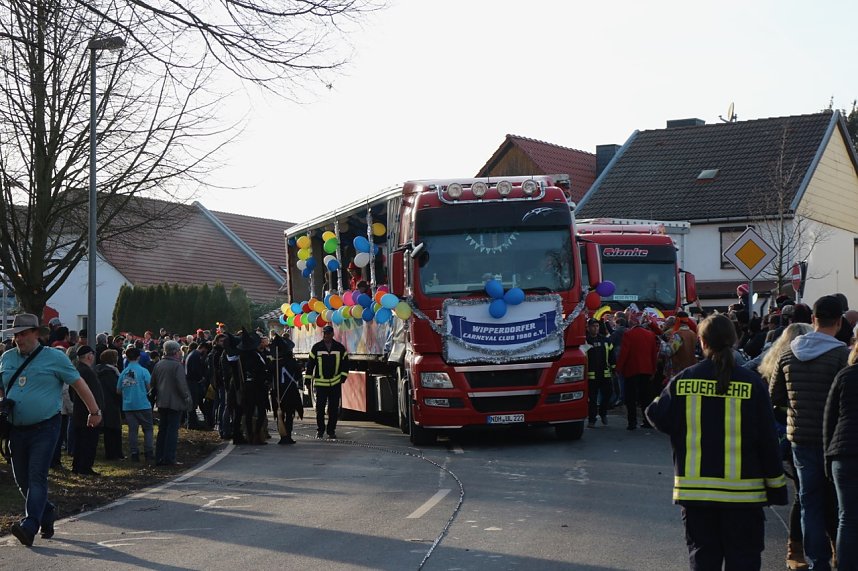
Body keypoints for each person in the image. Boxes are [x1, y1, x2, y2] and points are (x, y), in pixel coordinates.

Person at [646, 313, 788, 570]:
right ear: (734, 340)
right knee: (743, 561)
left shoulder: (684, 380)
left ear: (702, 341)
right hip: (745, 497)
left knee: (704, 560)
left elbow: (655, 414)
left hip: (696, 495)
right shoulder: (752, 384)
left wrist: (685, 431)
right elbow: (768, 440)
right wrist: (776, 488)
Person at [0, 314, 102, 546]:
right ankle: (47, 513)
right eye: (16, 334)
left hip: (45, 426)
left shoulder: (54, 358)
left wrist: (94, 412)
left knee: (37, 476)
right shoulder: (7, 358)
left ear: (37, 333)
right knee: (22, 479)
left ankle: (30, 525)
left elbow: (79, 383)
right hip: (16, 428)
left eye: (24, 333)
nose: (19, 338)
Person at [772, 295, 850, 571]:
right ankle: (843, 558)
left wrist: (794, 411)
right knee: (841, 507)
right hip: (833, 440)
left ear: (813, 320)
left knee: (809, 501)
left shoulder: (787, 353)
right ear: (839, 322)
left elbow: (775, 395)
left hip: (800, 438)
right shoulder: (842, 354)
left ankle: (818, 562)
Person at [759, 322, 815, 570]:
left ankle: (796, 550)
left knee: (803, 493)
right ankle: (818, 546)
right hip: (804, 432)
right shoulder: (807, 360)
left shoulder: (771, 363)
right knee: (812, 493)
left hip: (787, 433)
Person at [823, 339, 858, 570]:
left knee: (847, 519)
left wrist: (827, 459)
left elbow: (829, 419)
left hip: (843, 452)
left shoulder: (845, 375)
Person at [305, 325, 349, 439]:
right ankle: (320, 430)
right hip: (321, 384)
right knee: (320, 409)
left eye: (328, 334)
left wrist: (343, 377)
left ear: (332, 334)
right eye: (324, 334)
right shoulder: (316, 348)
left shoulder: (340, 348)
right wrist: (307, 380)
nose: (326, 336)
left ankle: (331, 431)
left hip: (335, 383)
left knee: (333, 409)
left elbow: (346, 364)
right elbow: (310, 365)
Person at [616, 311, 659, 430]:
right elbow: (653, 354)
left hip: (631, 370)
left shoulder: (628, 334)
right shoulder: (650, 334)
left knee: (631, 398)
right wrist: (653, 370)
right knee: (646, 398)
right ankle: (648, 421)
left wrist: (618, 368)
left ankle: (632, 422)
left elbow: (624, 354)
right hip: (646, 370)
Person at [152, 340, 192, 466]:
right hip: (175, 402)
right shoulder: (177, 366)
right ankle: (169, 457)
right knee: (172, 431)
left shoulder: (159, 364)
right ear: (175, 352)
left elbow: (152, 382)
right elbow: (181, 384)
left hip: (162, 401)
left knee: (162, 430)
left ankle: (159, 456)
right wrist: (187, 398)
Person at [71, 345, 105, 475]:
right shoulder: (87, 372)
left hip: (79, 411)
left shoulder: (78, 370)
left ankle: (77, 466)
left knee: (80, 441)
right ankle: (85, 467)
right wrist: (96, 410)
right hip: (89, 412)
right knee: (88, 441)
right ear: (89, 356)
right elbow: (94, 392)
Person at [117, 346, 154, 462]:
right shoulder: (143, 371)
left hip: (128, 405)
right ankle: (148, 452)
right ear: (138, 357)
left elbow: (118, 390)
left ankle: (134, 453)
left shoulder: (124, 372)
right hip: (143, 404)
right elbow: (150, 387)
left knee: (133, 430)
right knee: (148, 429)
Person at [95, 349, 124, 460]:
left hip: (104, 402)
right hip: (111, 403)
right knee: (114, 430)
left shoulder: (99, 370)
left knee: (109, 430)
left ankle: (113, 453)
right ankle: (114, 453)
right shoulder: (110, 373)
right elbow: (115, 389)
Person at [585, 318, 612, 427]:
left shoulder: (605, 340)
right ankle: (592, 420)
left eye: (597, 326)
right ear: (588, 327)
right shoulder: (585, 341)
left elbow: (612, 355)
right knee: (592, 399)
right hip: (591, 375)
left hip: (605, 374)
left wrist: (614, 367)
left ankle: (603, 412)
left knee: (608, 394)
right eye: (593, 326)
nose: (595, 328)